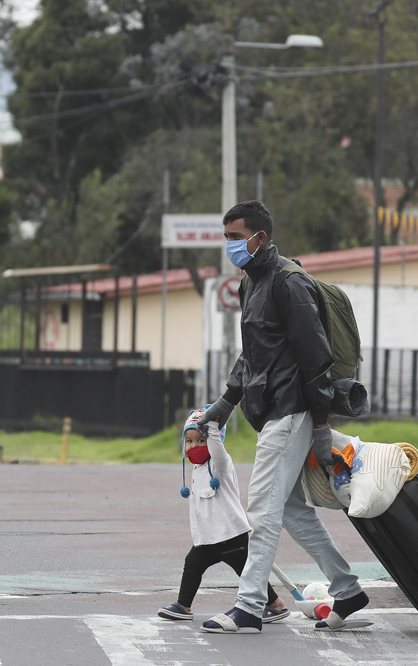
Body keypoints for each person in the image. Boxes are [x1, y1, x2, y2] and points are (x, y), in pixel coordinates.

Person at [199, 200, 368, 634]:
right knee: (291, 511)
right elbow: (254, 354)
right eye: (227, 237)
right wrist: (226, 401)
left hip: (292, 411)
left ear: (261, 237)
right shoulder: (250, 283)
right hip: (272, 409)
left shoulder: (289, 284)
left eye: (236, 237)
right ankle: (347, 588)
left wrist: (321, 425)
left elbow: (316, 360)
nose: (230, 245)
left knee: (263, 510)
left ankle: (249, 605)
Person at [157, 409, 290, 623]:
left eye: (201, 440)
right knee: (192, 564)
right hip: (208, 538)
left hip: (230, 534)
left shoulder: (221, 464)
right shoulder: (196, 470)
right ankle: (183, 606)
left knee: (247, 572)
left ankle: (275, 605)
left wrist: (212, 429)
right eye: (189, 441)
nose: (194, 446)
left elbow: (217, 451)